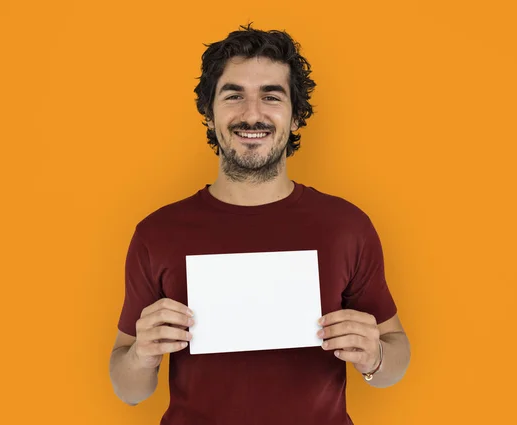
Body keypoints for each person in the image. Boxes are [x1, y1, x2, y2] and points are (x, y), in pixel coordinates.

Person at [109, 23, 411, 424]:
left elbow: (396, 357)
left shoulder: (346, 226)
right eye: (234, 96)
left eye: (271, 96)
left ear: (296, 116)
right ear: (209, 111)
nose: (252, 114)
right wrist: (141, 355)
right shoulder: (157, 233)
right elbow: (129, 389)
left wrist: (375, 356)